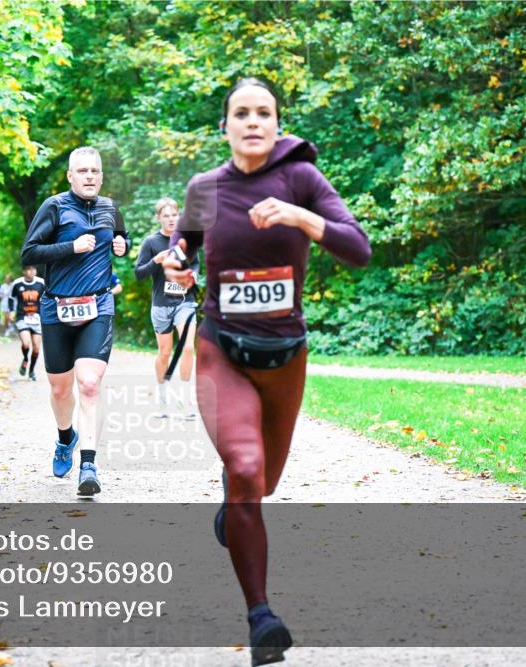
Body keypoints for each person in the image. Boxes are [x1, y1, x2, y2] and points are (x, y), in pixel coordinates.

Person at [164, 77, 371, 666]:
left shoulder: (301, 179)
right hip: (221, 349)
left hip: (285, 355)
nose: (253, 121)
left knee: (262, 486)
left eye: (263, 112)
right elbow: (182, 247)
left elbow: (359, 248)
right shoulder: (205, 188)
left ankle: (236, 501)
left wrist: (301, 217)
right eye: (241, 113)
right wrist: (175, 264)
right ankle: (261, 617)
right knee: (247, 468)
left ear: (278, 124)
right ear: (225, 126)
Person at [20, 146, 130, 496]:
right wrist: (71, 247)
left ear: (101, 175)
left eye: (94, 171)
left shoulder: (110, 208)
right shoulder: (54, 207)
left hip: (98, 304)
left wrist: (122, 245)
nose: (89, 176)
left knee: (89, 384)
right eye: (82, 171)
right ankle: (66, 437)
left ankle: (89, 466)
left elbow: (122, 236)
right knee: (60, 388)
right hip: (57, 307)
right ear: (70, 176)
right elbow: (29, 252)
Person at [134, 197, 199, 420]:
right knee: (164, 353)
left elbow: (196, 263)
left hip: (185, 302)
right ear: (158, 218)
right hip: (161, 305)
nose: (171, 219)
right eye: (166, 216)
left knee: (188, 347)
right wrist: (156, 261)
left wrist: (193, 275)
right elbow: (139, 274)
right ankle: (163, 400)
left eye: (174, 215)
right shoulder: (151, 243)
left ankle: (187, 400)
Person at [10, 265, 45, 380]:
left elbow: (47, 298)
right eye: (29, 269)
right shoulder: (17, 283)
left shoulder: (41, 283)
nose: (31, 272)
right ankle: (25, 359)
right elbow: (11, 297)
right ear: (24, 271)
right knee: (26, 343)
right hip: (22, 317)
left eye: (33, 269)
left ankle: (31, 371)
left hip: (37, 318)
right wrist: (11, 311)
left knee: (36, 348)